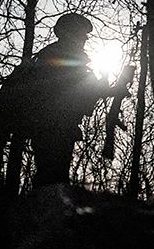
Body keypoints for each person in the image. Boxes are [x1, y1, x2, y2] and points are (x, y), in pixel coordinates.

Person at [26, 13, 127, 187]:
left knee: (51, 178)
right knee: (52, 180)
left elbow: (83, 90)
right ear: (69, 33)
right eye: (81, 34)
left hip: (57, 127)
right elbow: (77, 90)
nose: (84, 39)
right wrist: (106, 88)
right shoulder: (59, 56)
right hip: (53, 128)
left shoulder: (55, 55)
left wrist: (107, 88)